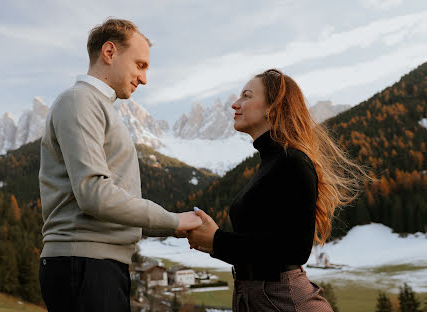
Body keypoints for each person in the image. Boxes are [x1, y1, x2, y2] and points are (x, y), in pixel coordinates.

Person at [38, 18, 201, 312]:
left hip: (95, 266)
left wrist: (171, 228)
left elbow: (114, 202)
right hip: (85, 265)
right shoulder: (80, 101)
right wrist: (173, 220)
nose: (145, 78)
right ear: (110, 53)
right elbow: (93, 194)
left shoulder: (99, 106)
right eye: (140, 65)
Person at [187, 69, 368, 311]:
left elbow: (293, 248)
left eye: (246, 96)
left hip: (282, 300)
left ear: (273, 108)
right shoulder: (272, 162)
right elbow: (264, 241)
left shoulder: (292, 161)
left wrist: (218, 241)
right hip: (260, 297)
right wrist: (211, 242)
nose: (234, 104)